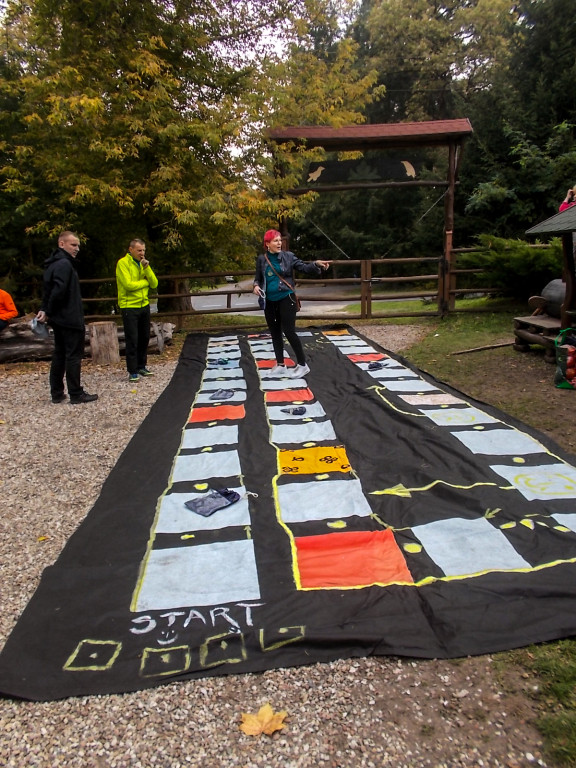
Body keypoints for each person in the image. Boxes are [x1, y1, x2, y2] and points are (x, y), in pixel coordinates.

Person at [253, 229, 330, 378]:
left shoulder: (288, 257)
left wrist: (315, 264)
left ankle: (302, 365)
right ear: (267, 244)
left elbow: (303, 267)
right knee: (275, 332)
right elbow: (258, 279)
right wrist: (256, 286)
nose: (279, 243)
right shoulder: (262, 259)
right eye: (276, 241)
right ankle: (281, 365)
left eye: (280, 240)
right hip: (269, 300)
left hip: (286, 297)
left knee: (289, 331)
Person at [36, 231, 98, 404]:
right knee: (72, 355)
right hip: (69, 317)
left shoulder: (53, 264)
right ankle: (76, 393)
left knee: (60, 354)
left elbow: (49, 290)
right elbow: (58, 291)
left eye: (78, 245)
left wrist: (45, 309)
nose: (77, 249)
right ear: (61, 244)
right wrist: (47, 310)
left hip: (59, 317)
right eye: (73, 245)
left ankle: (56, 393)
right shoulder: (64, 264)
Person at [116, 238, 158, 382]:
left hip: (143, 305)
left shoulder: (143, 264)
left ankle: (142, 365)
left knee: (144, 337)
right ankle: (132, 370)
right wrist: (144, 283)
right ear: (131, 249)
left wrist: (147, 268)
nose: (142, 253)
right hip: (129, 306)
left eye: (144, 250)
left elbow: (154, 283)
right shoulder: (123, 263)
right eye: (139, 250)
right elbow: (128, 285)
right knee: (132, 339)